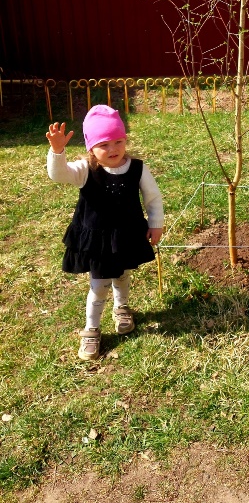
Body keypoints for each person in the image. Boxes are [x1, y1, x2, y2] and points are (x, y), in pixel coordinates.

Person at [46, 105, 164, 362]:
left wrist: (155, 223)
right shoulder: (85, 170)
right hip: (98, 240)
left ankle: (121, 307)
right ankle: (92, 329)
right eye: (104, 144)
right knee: (99, 286)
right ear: (91, 148)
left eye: (118, 141)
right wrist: (57, 151)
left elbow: (153, 198)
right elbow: (58, 175)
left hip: (127, 234)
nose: (113, 149)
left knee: (123, 275)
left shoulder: (137, 168)